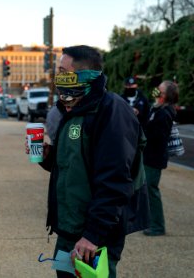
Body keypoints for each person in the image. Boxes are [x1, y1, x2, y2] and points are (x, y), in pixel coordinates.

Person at [37, 45, 149, 278]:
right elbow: (72, 166)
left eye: (63, 71)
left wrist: (93, 235)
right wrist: (48, 157)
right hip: (69, 230)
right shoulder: (73, 109)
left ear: (83, 76)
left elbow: (116, 180)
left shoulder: (111, 112)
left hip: (92, 238)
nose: (58, 78)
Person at [143, 80, 179, 236]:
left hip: (154, 158)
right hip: (150, 156)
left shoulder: (164, 113)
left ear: (164, 95)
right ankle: (152, 222)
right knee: (148, 190)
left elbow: (157, 137)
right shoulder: (158, 109)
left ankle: (157, 226)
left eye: (159, 90)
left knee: (151, 190)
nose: (156, 91)